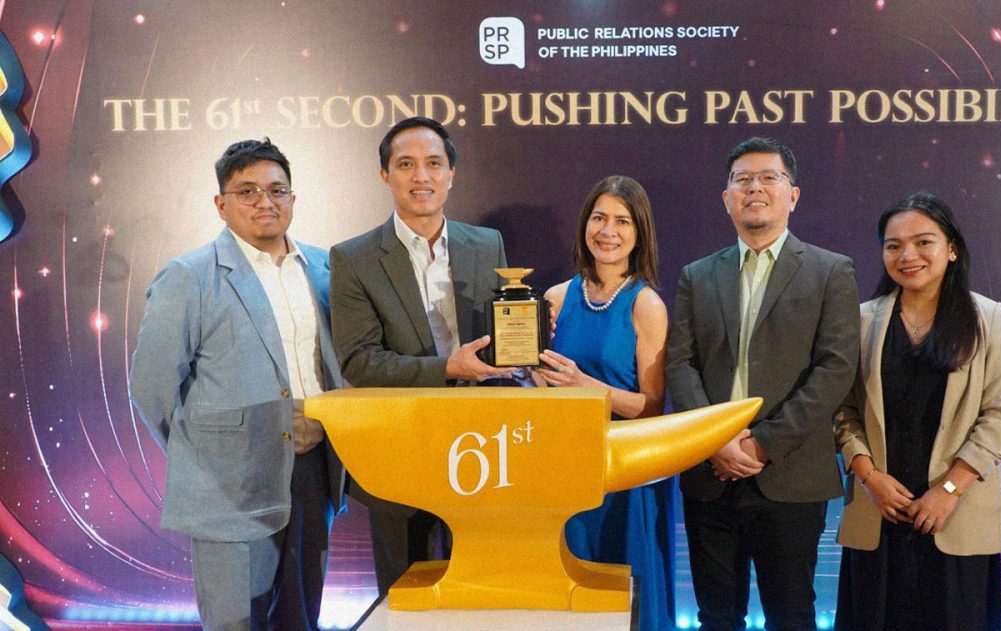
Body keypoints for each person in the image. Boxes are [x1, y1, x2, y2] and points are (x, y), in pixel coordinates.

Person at [129, 138, 344, 630]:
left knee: (301, 617)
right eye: (247, 191)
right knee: (236, 623)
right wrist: (208, 452)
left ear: (293, 198)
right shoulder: (188, 276)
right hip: (229, 485)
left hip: (313, 472)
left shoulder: (324, 268)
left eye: (277, 190)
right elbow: (151, 387)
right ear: (221, 204)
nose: (265, 202)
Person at [665, 137, 860, 630]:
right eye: (743, 179)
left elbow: (835, 369)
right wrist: (714, 441)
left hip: (790, 475)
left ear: (792, 195)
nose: (755, 188)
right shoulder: (697, 276)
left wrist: (763, 444)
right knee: (716, 617)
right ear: (726, 197)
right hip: (710, 475)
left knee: (791, 615)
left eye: (769, 177)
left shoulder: (830, 271)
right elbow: (680, 364)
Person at [329, 116, 512, 597]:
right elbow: (359, 362)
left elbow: (500, 339)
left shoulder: (486, 244)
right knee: (406, 596)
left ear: (451, 173)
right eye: (406, 164)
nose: (421, 176)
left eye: (434, 163)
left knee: (481, 595)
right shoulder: (353, 258)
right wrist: (448, 368)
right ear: (385, 176)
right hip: (400, 450)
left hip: (484, 450)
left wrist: (525, 332)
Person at [833, 192, 1001, 630]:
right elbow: (841, 411)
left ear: (951, 248)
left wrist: (948, 491)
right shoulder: (860, 321)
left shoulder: (989, 318)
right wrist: (870, 479)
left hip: (956, 515)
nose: (908, 256)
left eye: (923, 242)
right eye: (893, 245)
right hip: (879, 512)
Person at [532, 175, 673, 630]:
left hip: (623, 473)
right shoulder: (555, 298)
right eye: (599, 218)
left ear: (639, 232)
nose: (607, 231)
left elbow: (651, 407)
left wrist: (585, 384)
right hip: (563, 471)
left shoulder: (646, 304)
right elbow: (543, 390)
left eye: (622, 221)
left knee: (622, 593)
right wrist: (536, 378)